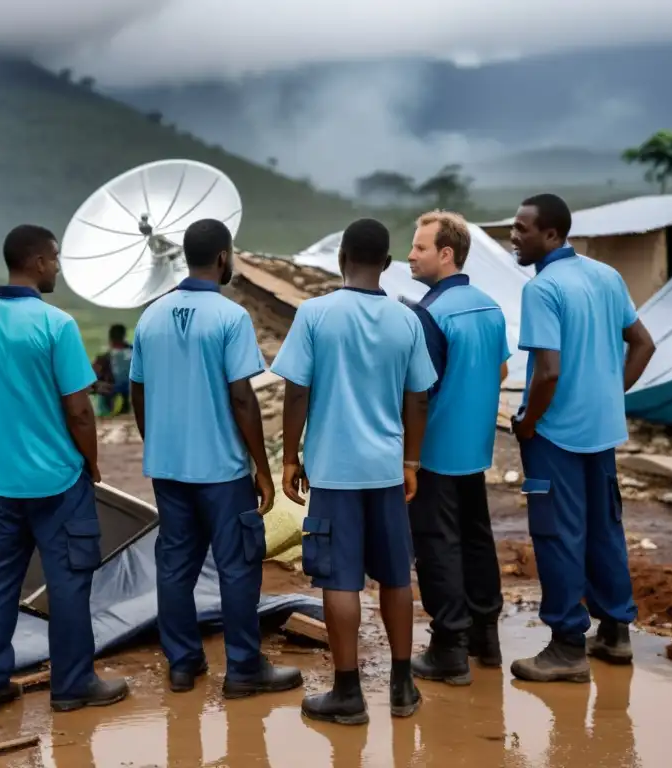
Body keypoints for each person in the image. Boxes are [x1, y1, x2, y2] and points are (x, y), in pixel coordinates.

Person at [271, 218, 437, 725]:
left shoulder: (316, 315)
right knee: (394, 578)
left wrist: (291, 457)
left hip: (334, 473)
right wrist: (411, 461)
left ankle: (348, 695)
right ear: (387, 264)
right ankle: (403, 687)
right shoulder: (406, 320)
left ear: (341, 258)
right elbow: (419, 398)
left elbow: (296, 390)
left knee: (340, 581)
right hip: (386, 471)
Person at [129, 218, 302, 699]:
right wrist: (262, 470)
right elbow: (242, 398)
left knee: (176, 567)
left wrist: (155, 442)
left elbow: (136, 390)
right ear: (224, 258)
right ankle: (244, 669)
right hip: (222, 470)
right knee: (238, 565)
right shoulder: (229, 318)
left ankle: (183, 665)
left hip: (168, 469)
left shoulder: (151, 316)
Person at [0, 224, 128, 715]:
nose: (57, 266)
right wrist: (92, 464)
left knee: (1, 582)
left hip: (3, 481)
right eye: (54, 258)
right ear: (35, 262)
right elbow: (79, 409)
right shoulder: (56, 325)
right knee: (70, 580)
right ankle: (73, 684)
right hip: (56, 478)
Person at [509, 194, 656, 683]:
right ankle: (615, 633)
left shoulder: (544, 289)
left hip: (556, 434)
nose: (514, 235)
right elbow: (643, 343)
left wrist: (529, 422)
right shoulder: (605, 277)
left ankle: (567, 647)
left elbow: (547, 372)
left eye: (522, 228)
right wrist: (608, 393)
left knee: (556, 535)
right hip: (601, 431)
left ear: (552, 235)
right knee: (604, 530)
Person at [405, 210, 509, 684]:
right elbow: (501, 372)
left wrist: (407, 452)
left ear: (446, 255)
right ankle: (486, 636)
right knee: (475, 535)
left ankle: (449, 647)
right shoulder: (489, 307)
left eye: (420, 247)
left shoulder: (430, 313)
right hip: (476, 448)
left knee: (437, 544)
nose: (411, 255)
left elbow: (420, 392)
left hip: (435, 450)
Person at [93, 324, 132, 416]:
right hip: (132, 392)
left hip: (111, 393)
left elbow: (92, 378)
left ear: (110, 338)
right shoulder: (136, 353)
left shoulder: (104, 357)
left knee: (102, 387)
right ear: (124, 336)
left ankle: (104, 414)